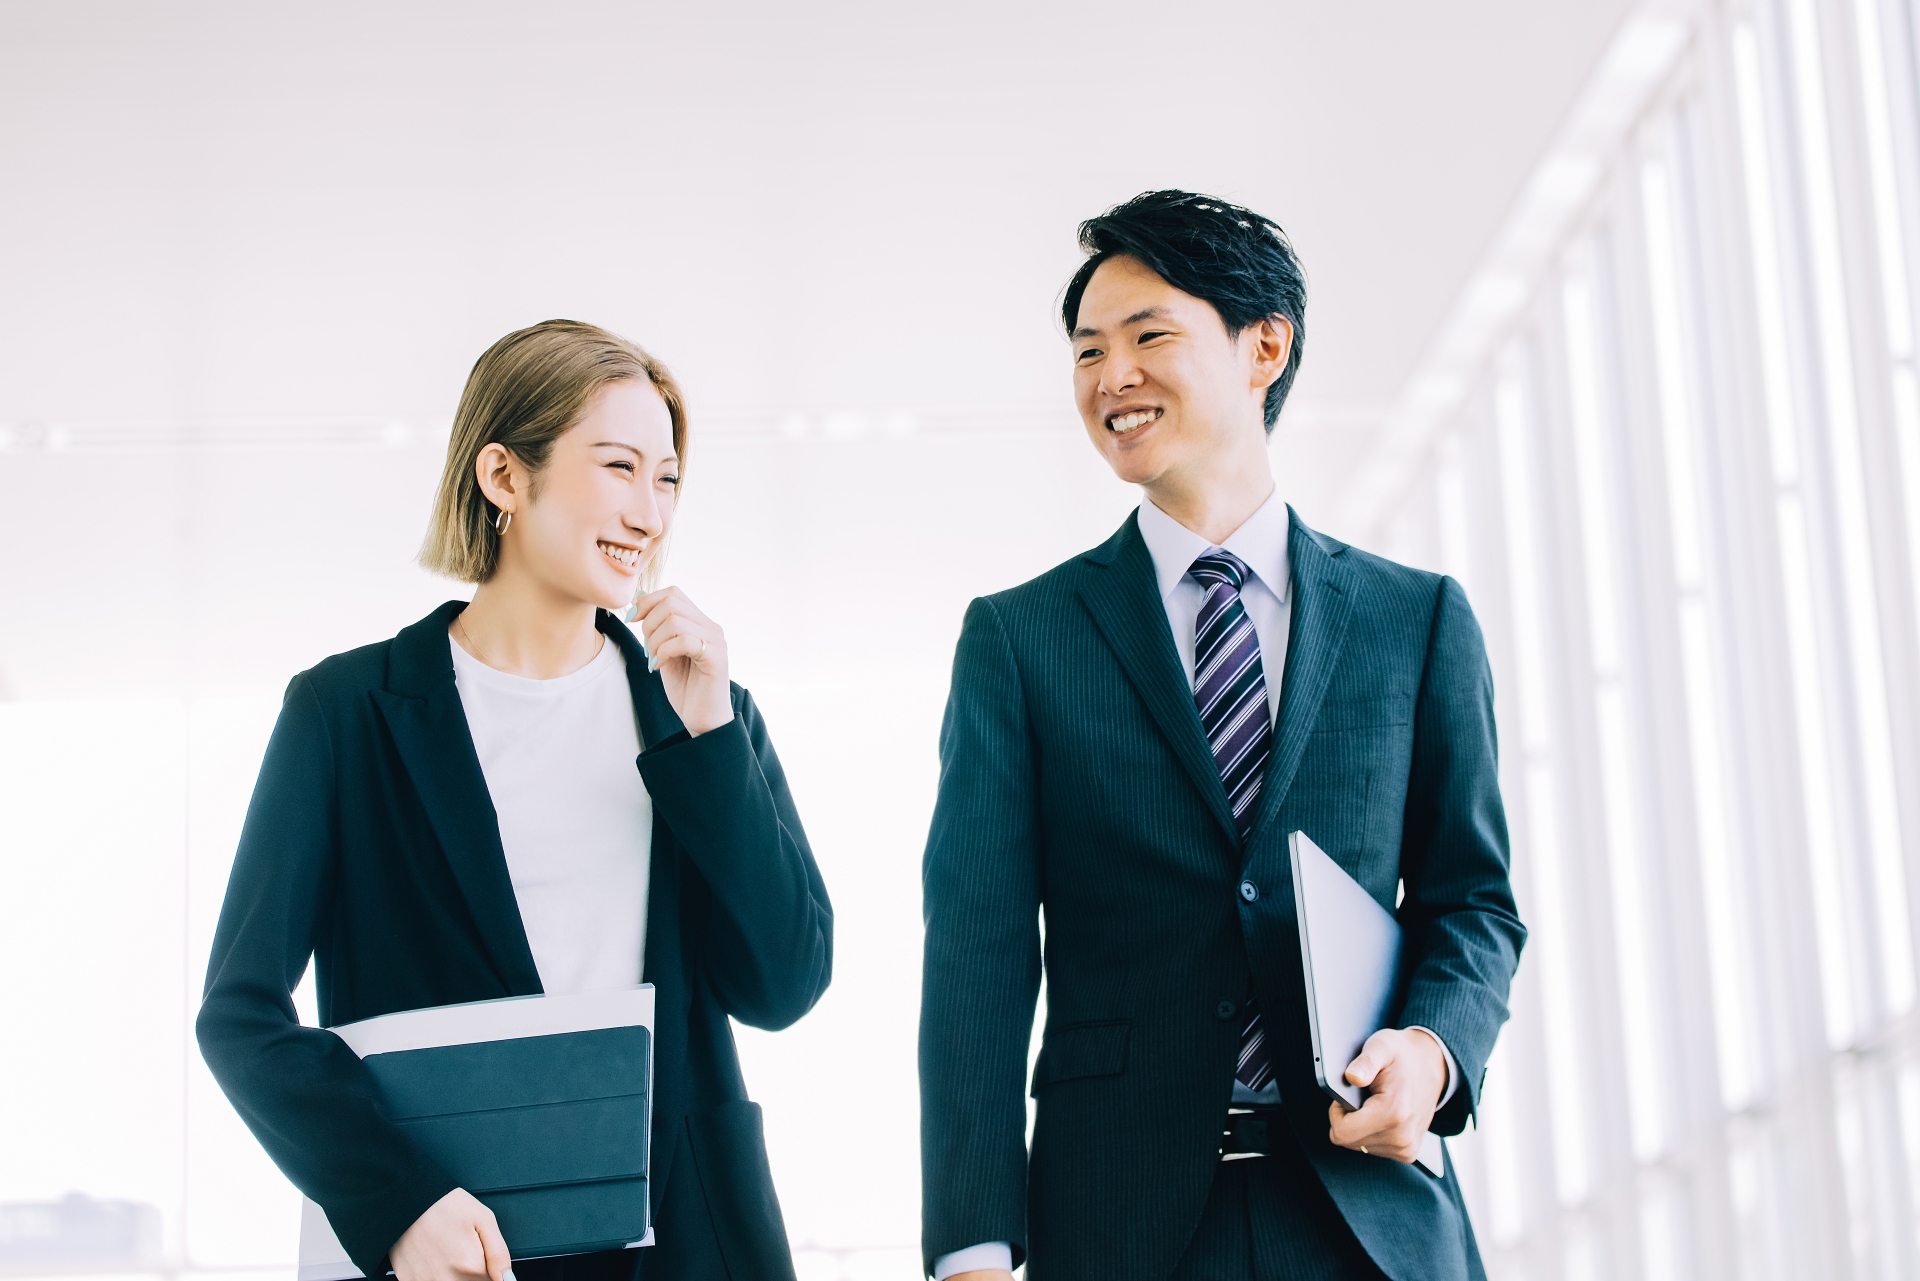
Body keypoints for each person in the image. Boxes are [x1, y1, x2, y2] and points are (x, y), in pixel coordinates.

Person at [918, 192, 1525, 1281]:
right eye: (1088, 351)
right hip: (1118, 1222)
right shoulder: (1020, 640)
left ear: (1264, 347)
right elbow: (978, 953)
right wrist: (971, 1245)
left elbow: (1472, 903)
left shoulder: (1416, 620)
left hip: (1368, 1217)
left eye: (1149, 335)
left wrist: (1432, 1055)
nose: (1112, 377)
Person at [198, 320, 832, 1281]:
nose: (651, 514)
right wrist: (399, 1203)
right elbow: (240, 1014)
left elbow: (783, 984)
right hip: (457, 1249)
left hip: (687, 1245)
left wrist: (711, 743)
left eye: (667, 479)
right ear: (503, 475)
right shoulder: (346, 714)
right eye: (619, 467)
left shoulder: (701, 714)